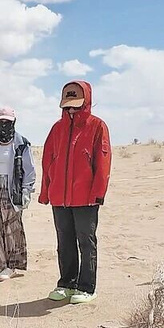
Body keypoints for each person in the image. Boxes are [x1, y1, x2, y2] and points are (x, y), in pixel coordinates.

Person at [39, 81, 111, 304]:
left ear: (86, 103)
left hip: (86, 199)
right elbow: (47, 161)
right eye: (68, 106)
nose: (71, 110)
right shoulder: (56, 129)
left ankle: (87, 287)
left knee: (86, 242)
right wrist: (45, 192)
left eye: (76, 106)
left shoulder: (97, 126)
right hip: (59, 197)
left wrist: (97, 194)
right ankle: (66, 283)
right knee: (64, 241)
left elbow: (103, 162)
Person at [0, 107, 36, 282]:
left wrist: (26, 191)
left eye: (7, 122)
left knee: (12, 228)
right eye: (0, 122)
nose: (3, 126)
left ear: (13, 122)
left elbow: (29, 171)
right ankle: (0, 263)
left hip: (12, 188)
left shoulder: (22, 144)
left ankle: (12, 265)